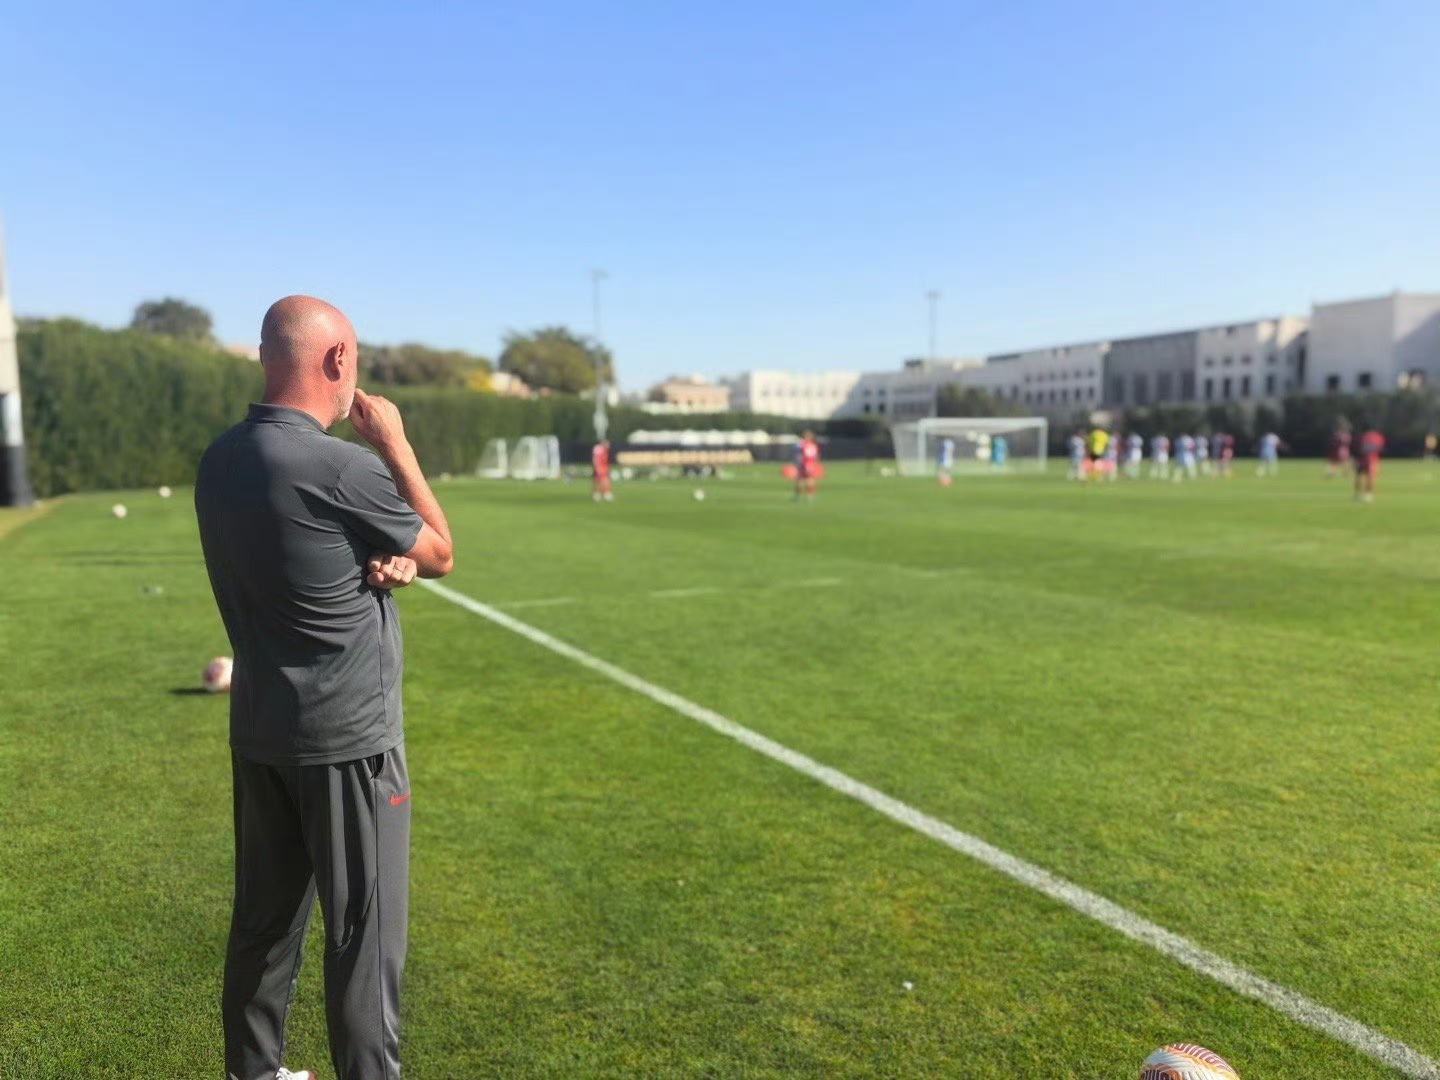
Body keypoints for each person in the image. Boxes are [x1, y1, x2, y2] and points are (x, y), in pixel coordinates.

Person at [195, 296, 455, 1080]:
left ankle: (255, 1071)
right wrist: (398, 445)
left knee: (263, 931)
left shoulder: (221, 457)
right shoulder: (342, 465)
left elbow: (308, 555)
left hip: (263, 730)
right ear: (337, 360)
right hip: (348, 741)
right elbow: (440, 549)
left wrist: (379, 566)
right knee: (363, 948)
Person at [1354, 428, 1385, 501]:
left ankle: (1358, 494)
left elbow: (1357, 447)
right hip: (1372, 459)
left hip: (1361, 459)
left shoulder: (1362, 436)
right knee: (1370, 477)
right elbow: (1380, 448)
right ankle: (1368, 495)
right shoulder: (1379, 437)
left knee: (1359, 476)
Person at [794, 429, 822, 500]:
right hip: (812, 464)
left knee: (801, 479)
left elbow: (801, 455)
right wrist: (816, 464)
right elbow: (816, 456)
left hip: (805, 463)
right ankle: (810, 496)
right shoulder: (814, 445)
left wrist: (799, 464)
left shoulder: (803, 445)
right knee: (810, 479)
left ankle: (798, 497)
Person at [592, 437, 613, 502]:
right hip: (600, 467)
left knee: (599, 481)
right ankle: (606, 493)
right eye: (607, 444)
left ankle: (598, 494)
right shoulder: (599, 449)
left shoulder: (604, 450)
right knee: (604, 480)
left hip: (603, 467)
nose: (608, 445)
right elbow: (596, 459)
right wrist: (597, 467)